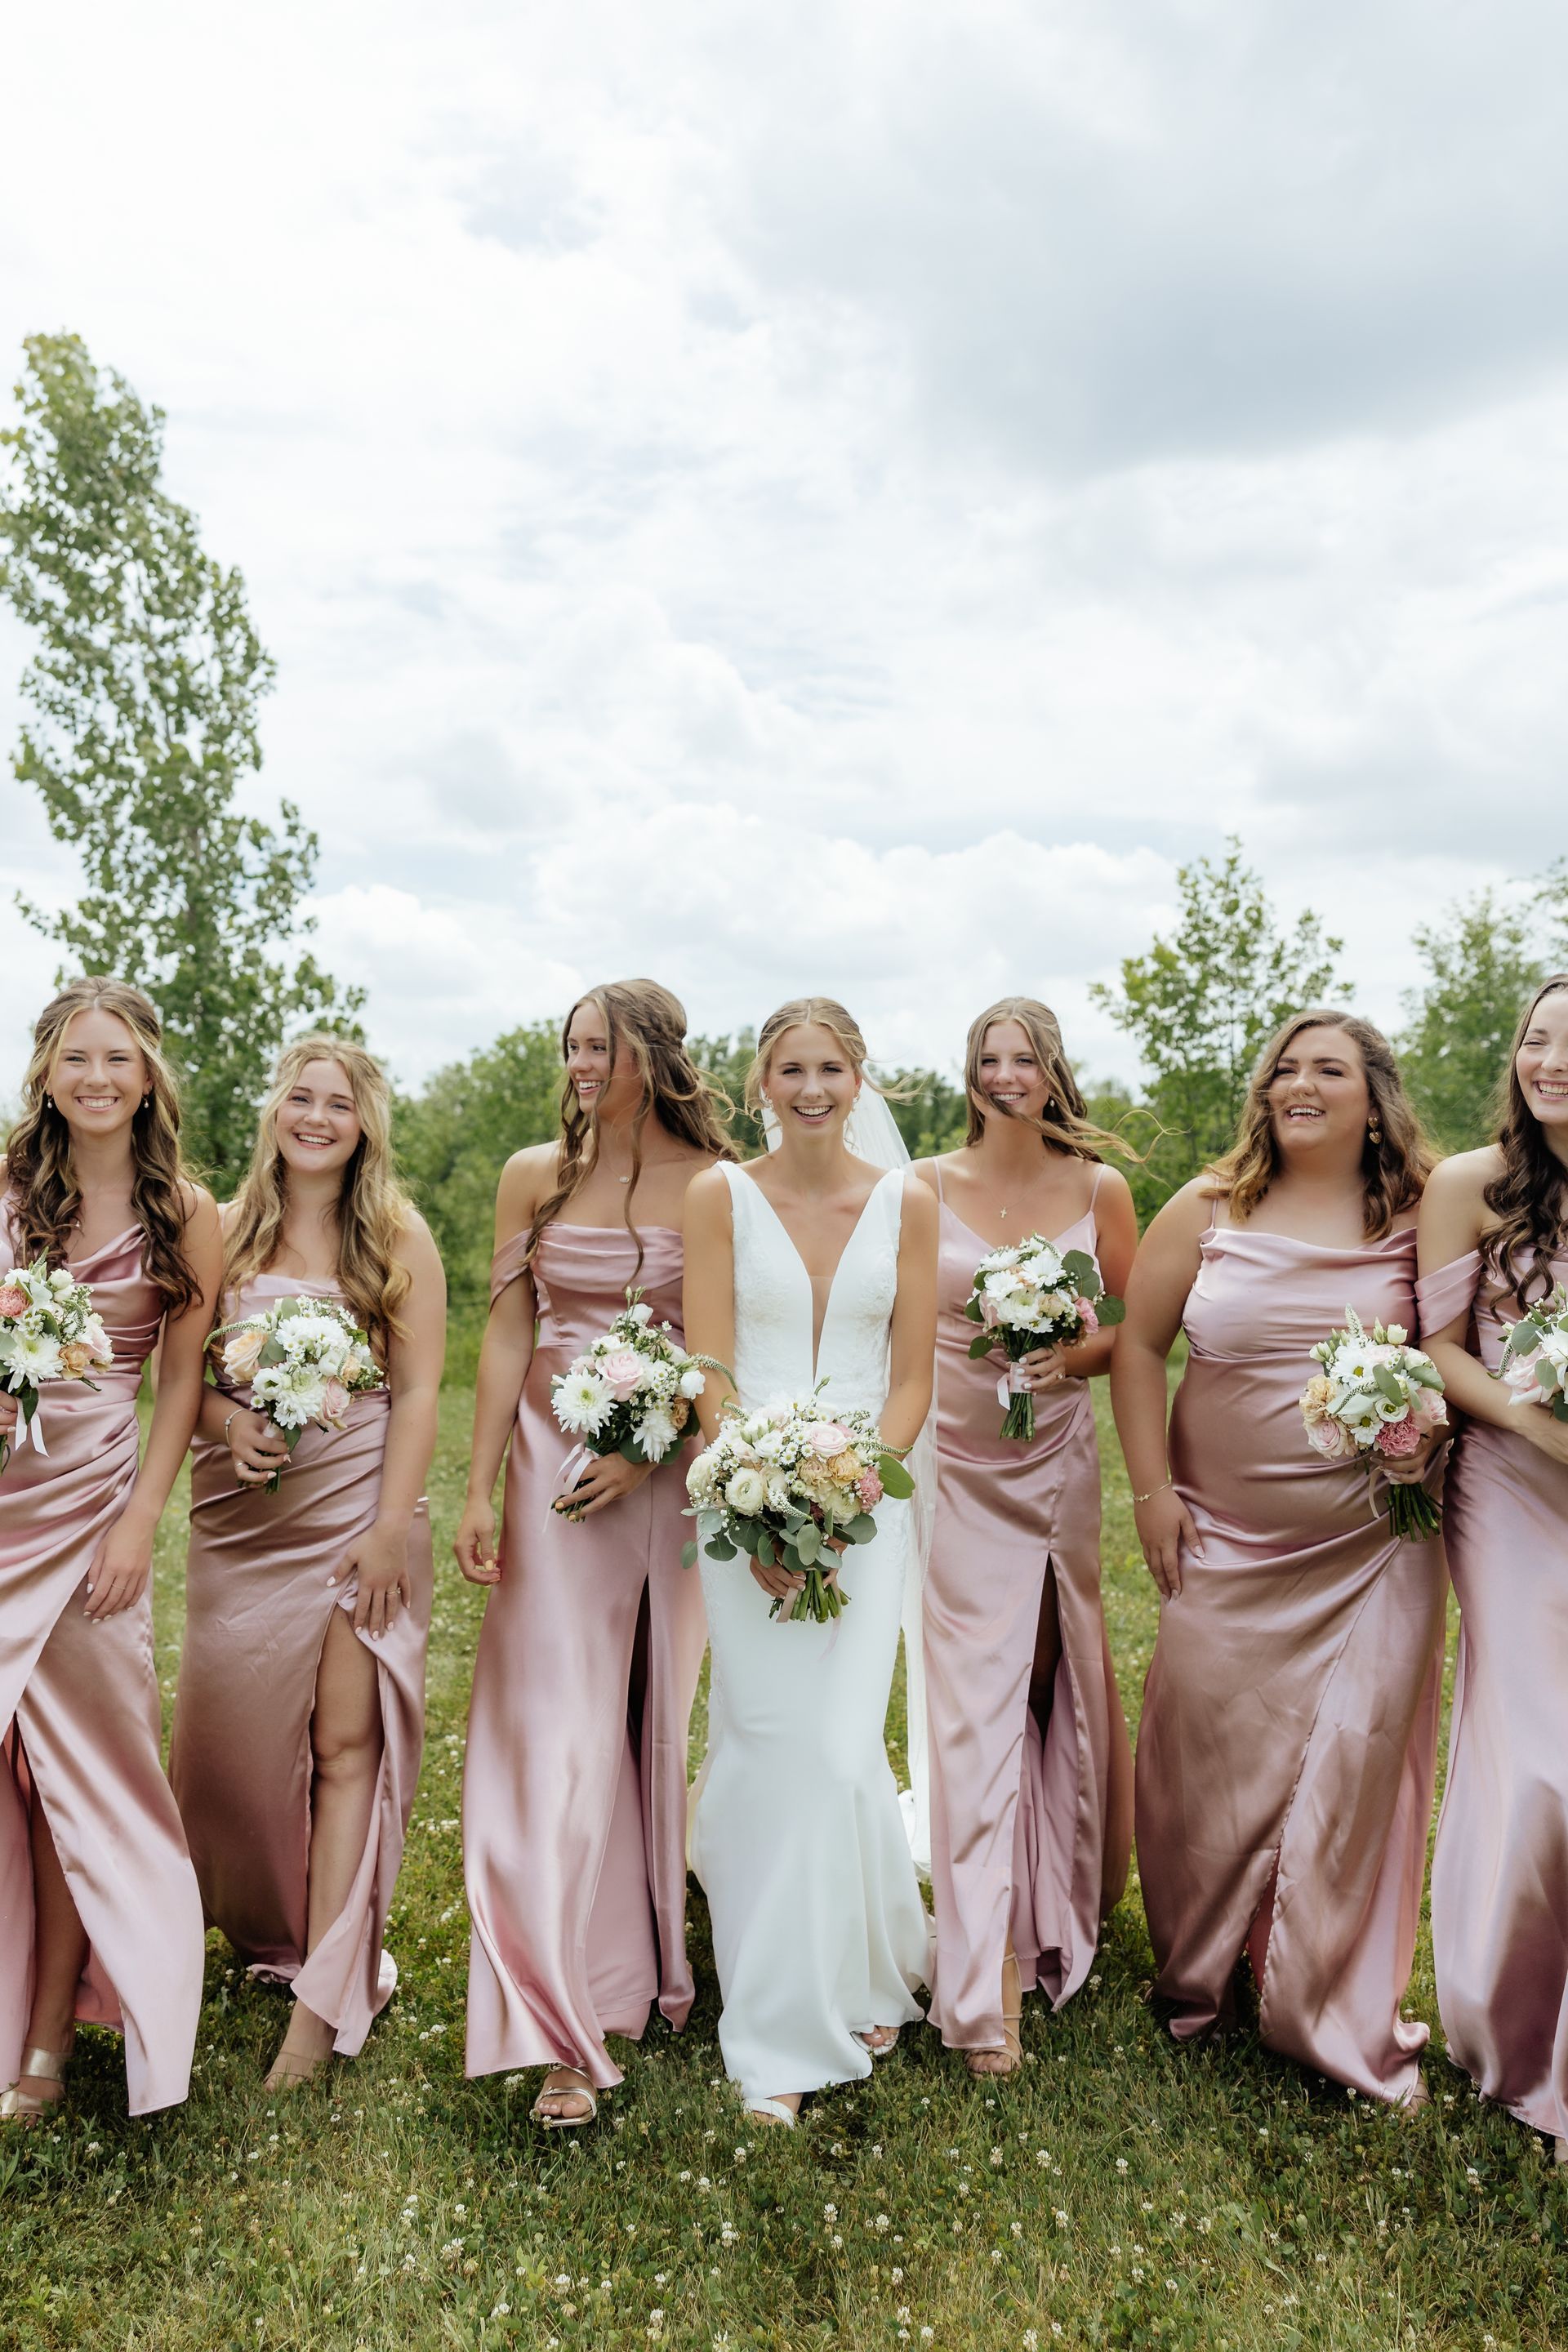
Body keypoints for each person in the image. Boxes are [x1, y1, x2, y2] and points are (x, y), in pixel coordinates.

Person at [1114, 1010, 1443, 2105]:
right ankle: (1199, 1974)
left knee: (1350, 1767)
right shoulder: (1210, 1207)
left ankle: (1322, 1990)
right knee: (1203, 1756)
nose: (1300, 1085)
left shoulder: (1420, 1210)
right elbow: (1138, 1349)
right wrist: (1154, 1497)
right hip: (1222, 1536)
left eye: (1329, 1070)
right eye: (1285, 1069)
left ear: (1374, 1096)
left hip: (1374, 1545)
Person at [457, 981, 729, 2125]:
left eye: (598, 1047)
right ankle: (557, 2023)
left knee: (646, 1719)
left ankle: (636, 1964)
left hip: (665, 1481)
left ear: (652, 1057)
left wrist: (655, 1443)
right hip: (547, 1470)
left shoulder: (716, 1185)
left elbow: (722, 1347)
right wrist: (477, 1486)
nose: (577, 1063)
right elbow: (509, 1328)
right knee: (553, 1731)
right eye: (569, 1045)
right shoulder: (537, 1174)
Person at [170, 1038, 445, 2089]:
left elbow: (420, 1393)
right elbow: (174, 1375)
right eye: (301, 1096)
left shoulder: (397, 1236)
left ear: (367, 1122)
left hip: (355, 1518)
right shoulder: (224, 1233)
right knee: (220, 1756)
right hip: (239, 1526)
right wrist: (225, 1425)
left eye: (340, 1102)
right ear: (273, 1111)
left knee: (344, 1749)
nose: (317, 1116)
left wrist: (388, 1527)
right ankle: (262, 1936)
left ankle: (324, 2006)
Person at [683, 996, 938, 2127]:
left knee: (841, 1751)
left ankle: (869, 1966)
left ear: (860, 1075)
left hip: (866, 1508)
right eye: (790, 1068)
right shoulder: (719, 1197)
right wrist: (766, 1502)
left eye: (830, 1066)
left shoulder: (907, 1201)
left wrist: (847, 1496)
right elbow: (710, 1369)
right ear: (760, 1084)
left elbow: (914, 1378)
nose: (812, 1087)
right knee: (767, 1741)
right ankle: (782, 2029)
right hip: (743, 1501)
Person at [1, 978, 220, 2122]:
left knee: (82, 1783)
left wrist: (141, 1519)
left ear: (147, 1078)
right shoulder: (2, 1190)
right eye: (75, 1058)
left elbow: (179, 1382)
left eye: (117, 1060)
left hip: (92, 1513)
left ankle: (44, 2043)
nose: (95, 1078)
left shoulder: (186, 1211)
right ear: (45, 1071)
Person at [915, 997, 1135, 2077]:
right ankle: (985, 1970)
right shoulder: (923, 1188)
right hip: (954, 1470)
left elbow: (1130, 1330)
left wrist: (1067, 1354)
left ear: (1054, 1075)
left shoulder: (1099, 1190)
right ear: (970, 1074)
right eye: (988, 1058)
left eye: (1026, 1059)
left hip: (1054, 1468)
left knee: (1044, 1688)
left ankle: (1048, 1897)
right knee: (972, 1712)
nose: (1006, 1075)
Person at [1416, 973, 1568, 2161]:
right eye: (1537, 1037)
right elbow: (1440, 1352)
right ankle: (1505, 2022)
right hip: (1514, 1491)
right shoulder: (1468, 1185)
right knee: (1542, 1772)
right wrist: (1534, 1423)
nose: (1551, 1058)